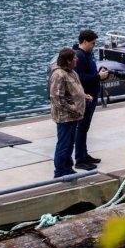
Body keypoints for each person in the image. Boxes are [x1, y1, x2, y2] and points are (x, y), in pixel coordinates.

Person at [48, 47, 90, 178]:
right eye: (74, 58)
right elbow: (57, 98)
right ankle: (60, 171)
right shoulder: (58, 75)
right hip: (65, 117)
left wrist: (84, 96)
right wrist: (73, 108)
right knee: (64, 143)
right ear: (68, 60)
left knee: (70, 143)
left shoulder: (72, 72)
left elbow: (74, 90)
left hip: (74, 116)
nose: (77, 59)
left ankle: (68, 167)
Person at [73, 29, 109, 170]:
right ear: (85, 41)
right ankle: (79, 159)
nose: (94, 46)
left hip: (92, 95)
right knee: (81, 128)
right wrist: (98, 77)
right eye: (92, 43)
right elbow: (80, 78)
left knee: (85, 127)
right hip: (85, 97)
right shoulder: (79, 56)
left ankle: (84, 154)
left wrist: (98, 74)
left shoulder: (87, 54)